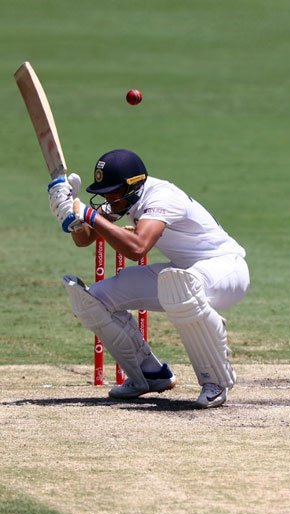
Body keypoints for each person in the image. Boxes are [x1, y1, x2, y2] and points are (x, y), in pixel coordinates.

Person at [47, 149, 249, 409]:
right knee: (94, 299)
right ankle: (150, 375)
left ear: (134, 185)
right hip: (184, 272)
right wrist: (73, 218)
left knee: (181, 287)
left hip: (226, 269)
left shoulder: (161, 197)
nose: (108, 198)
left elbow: (137, 248)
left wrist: (88, 214)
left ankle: (216, 382)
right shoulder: (124, 199)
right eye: (104, 192)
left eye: (113, 192)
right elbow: (85, 239)